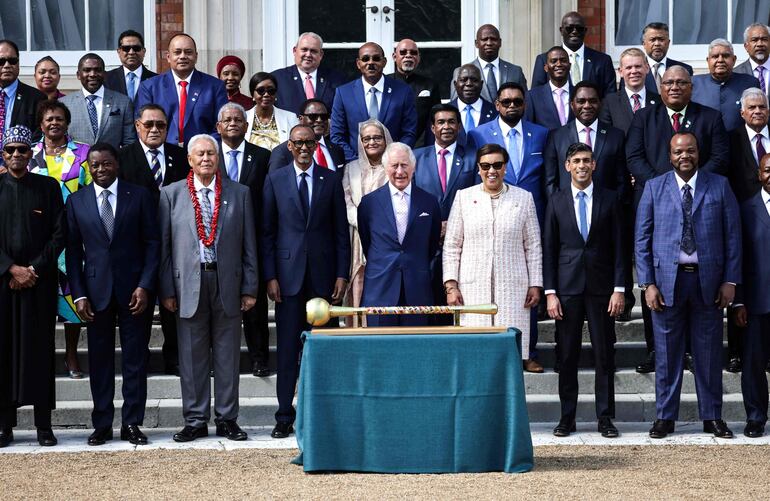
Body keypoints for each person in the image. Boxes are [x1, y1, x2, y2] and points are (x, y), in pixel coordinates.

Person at [636, 132, 741, 439]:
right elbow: (641, 239)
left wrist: (730, 280)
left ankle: (712, 416)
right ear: (670, 156)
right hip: (667, 282)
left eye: (690, 150)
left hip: (708, 282)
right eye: (679, 151)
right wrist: (647, 284)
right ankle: (665, 417)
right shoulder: (655, 188)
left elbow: (733, 238)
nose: (685, 156)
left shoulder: (719, 186)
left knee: (708, 353)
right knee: (667, 354)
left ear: (699, 153)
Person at [627, 66, 730, 372]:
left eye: (681, 82)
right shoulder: (645, 117)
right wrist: (665, 187)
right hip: (656, 205)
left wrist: (692, 183)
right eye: (669, 82)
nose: (674, 87)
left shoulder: (709, 118)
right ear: (660, 88)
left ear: (691, 87)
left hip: (701, 205)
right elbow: (634, 157)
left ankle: (690, 352)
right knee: (656, 281)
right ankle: (654, 349)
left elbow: (720, 157)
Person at [159, 134, 258, 443]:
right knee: (191, 356)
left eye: (211, 154)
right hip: (187, 284)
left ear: (219, 158)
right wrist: (167, 291)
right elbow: (163, 248)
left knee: (228, 355)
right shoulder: (171, 195)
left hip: (226, 282)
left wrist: (251, 287)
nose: (206, 159)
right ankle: (196, 419)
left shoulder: (239, 193)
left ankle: (228, 418)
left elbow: (249, 245)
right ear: (189, 159)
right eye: (200, 154)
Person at [65, 142, 159, 446]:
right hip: (95, 293)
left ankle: (132, 422)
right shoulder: (77, 201)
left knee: (135, 360)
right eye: (95, 165)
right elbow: (72, 252)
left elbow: (153, 245)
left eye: (106, 164)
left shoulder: (140, 196)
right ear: (88, 167)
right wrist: (78, 294)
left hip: (134, 292)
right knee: (100, 361)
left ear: (116, 165)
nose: (101, 170)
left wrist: (145, 285)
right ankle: (102, 423)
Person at [262, 124, 350, 439]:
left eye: (308, 142)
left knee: (324, 348)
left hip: (323, 279)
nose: (303, 147)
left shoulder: (329, 180)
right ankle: (284, 414)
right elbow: (268, 233)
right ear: (289, 145)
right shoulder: (275, 179)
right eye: (298, 142)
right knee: (287, 350)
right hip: (287, 280)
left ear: (315, 145)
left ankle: (325, 413)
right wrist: (270, 276)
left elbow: (341, 233)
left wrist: (342, 274)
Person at [544, 143, 625, 438]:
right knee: (567, 356)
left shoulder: (610, 198)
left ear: (594, 165)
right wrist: (550, 292)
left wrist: (619, 288)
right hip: (566, 289)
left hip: (603, 288)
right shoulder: (556, 200)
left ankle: (605, 417)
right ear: (567, 166)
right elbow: (549, 249)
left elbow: (620, 247)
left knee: (605, 354)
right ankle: (567, 417)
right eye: (576, 160)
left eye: (587, 160)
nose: (581, 165)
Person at [467, 82, 548, 372]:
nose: (511, 106)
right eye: (506, 101)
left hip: (527, 210)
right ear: (497, 105)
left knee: (523, 294)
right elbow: (474, 171)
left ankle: (529, 352)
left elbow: (546, 175)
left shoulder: (540, 133)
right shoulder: (478, 134)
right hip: (488, 208)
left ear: (524, 104)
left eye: (517, 101)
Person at [443, 143, 542, 359]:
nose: (492, 171)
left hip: (513, 289)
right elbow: (452, 245)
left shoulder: (524, 198)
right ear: (478, 168)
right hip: (472, 290)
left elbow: (533, 245)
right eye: (485, 166)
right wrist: (451, 286)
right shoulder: (463, 197)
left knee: (510, 350)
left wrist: (535, 284)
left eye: (497, 165)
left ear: (505, 167)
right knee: (475, 351)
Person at [0, 125, 66, 448]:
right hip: (3, 284)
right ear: (3, 154)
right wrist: (11, 269)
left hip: (38, 284)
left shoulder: (48, 187)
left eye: (22, 150)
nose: (16, 155)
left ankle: (43, 424)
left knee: (40, 353)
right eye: (10, 150)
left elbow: (59, 233)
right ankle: (3, 425)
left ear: (31, 153)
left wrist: (32, 269)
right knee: (2, 353)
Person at [118, 104, 191, 376]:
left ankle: (175, 358)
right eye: (148, 124)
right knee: (141, 304)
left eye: (160, 125)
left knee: (174, 303)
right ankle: (139, 359)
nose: (154, 130)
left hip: (176, 241)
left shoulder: (181, 156)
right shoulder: (124, 158)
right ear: (137, 125)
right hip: (137, 245)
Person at [29, 100, 91, 379]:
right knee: (38, 300)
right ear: (41, 124)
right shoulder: (28, 154)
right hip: (36, 238)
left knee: (70, 297)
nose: (54, 123)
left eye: (59, 119)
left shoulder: (84, 154)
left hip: (73, 235)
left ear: (67, 123)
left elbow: (91, 192)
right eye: (49, 119)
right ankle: (39, 358)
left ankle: (71, 355)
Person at [358, 142, 442, 326]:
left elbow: (432, 244)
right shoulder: (369, 203)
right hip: (380, 290)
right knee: (381, 351)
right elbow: (368, 243)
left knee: (415, 350)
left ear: (413, 166)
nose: (399, 171)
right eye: (394, 166)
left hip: (417, 290)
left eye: (404, 165)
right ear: (385, 167)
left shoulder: (429, 202)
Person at [216, 102, 271, 377]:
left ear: (247, 126)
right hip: (216, 241)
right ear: (219, 127)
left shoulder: (262, 156)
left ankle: (259, 358)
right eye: (227, 120)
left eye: (238, 119)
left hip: (253, 240)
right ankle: (220, 360)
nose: (233, 123)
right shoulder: (207, 155)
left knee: (255, 303)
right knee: (218, 304)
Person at [414, 104, 479, 324]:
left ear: (459, 126)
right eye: (441, 122)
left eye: (452, 121)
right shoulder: (416, 158)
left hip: (463, 244)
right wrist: (433, 225)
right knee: (427, 309)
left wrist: (452, 226)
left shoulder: (472, 158)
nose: (446, 126)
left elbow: (478, 198)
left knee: (459, 310)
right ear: (432, 127)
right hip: (424, 245)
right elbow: (410, 200)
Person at [733, 152, 770, 438]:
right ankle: (756, 417)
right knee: (754, 364)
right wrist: (740, 300)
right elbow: (738, 259)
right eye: (768, 170)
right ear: (759, 174)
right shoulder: (745, 209)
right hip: (756, 302)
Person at [136, 33, 228, 146]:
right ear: (168, 57)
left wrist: (205, 147)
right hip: (163, 154)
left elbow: (223, 125)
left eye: (188, 52)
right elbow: (142, 126)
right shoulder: (149, 87)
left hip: (201, 156)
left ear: (196, 56)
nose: (183, 56)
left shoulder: (215, 86)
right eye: (177, 52)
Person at [331, 42, 417, 162]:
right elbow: (337, 135)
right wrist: (356, 161)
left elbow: (409, 132)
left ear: (384, 62)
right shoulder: (343, 93)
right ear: (358, 63)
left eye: (376, 58)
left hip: (392, 165)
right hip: (356, 166)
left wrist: (394, 158)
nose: (370, 63)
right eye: (365, 59)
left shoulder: (403, 91)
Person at [341, 119, 392, 319]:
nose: (372, 142)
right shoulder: (351, 168)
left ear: (385, 139)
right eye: (367, 138)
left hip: (387, 236)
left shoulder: (393, 166)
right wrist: (363, 222)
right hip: (357, 238)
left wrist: (377, 225)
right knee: (357, 288)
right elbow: (346, 201)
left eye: (377, 137)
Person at [531, 12, 615, 97]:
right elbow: (536, 95)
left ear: (585, 31)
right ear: (561, 30)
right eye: (569, 28)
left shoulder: (603, 61)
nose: (574, 31)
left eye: (579, 28)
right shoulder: (543, 59)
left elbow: (610, 97)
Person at [60, 53, 136, 147]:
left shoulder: (123, 102)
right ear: (78, 75)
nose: (92, 74)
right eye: (87, 70)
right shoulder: (64, 104)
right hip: (76, 161)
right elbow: (60, 141)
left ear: (104, 74)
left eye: (97, 70)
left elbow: (129, 142)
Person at [692, 39, 760, 132]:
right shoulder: (694, 83)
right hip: (705, 143)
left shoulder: (749, 83)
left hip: (739, 143)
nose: (720, 60)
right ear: (708, 60)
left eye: (725, 56)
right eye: (715, 56)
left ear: (734, 59)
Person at [270, 32, 345, 115]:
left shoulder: (336, 79)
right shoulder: (277, 79)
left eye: (313, 51)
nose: (308, 54)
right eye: (304, 49)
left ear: (321, 54)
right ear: (295, 51)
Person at [449, 24, 528, 102]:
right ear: (476, 43)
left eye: (493, 39)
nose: (489, 43)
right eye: (484, 39)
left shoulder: (515, 71)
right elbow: (455, 103)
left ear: (500, 42)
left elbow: (525, 102)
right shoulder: (460, 72)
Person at [426, 64, 496, 148]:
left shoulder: (495, 112)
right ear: (455, 84)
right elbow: (431, 148)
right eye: (464, 80)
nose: (469, 84)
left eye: (474, 80)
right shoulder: (440, 113)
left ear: (481, 84)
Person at [267, 98, 345, 173]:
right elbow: (276, 182)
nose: (319, 120)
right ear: (301, 119)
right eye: (313, 117)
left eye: (324, 117)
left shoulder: (337, 150)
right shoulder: (283, 152)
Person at [387, 39, 441, 146]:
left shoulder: (430, 85)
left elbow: (435, 119)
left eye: (413, 53)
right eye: (403, 52)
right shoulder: (385, 83)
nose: (408, 56)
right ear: (394, 57)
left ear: (418, 58)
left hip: (421, 146)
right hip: (389, 146)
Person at [600, 47, 660, 135]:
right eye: (628, 68)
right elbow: (607, 139)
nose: (634, 71)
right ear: (620, 72)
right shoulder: (609, 103)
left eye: (638, 66)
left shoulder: (659, 101)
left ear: (647, 68)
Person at [0, 40, 47, 139]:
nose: (7, 65)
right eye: (1, 61)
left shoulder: (37, 98)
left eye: (12, 61)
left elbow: (40, 136)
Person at [729, 88, 769, 203]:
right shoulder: (731, 140)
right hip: (745, 206)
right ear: (742, 113)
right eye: (751, 107)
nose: (757, 111)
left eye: (762, 107)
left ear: (768, 111)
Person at [244, 72, 298, 151]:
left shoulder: (290, 118)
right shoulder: (243, 118)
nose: (266, 94)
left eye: (271, 90)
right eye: (261, 90)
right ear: (253, 94)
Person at [524, 46, 573, 131]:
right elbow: (528, 128)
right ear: (546, 68)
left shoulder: (578, 93)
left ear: (569, 66)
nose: (559, 64)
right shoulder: (532, 96)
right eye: (554, 61)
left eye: (563, 60)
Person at [104, 29, 158, 101]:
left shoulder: (156, 80)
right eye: (126, 48)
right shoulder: (106, 79)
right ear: (119, 52)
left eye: (136, 48)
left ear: (144, 51)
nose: (131, 52)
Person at [641, 22, 694, 94]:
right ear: (644, 44)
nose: (657, 44)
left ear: (668, 43)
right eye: (652, 40)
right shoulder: (634, 71)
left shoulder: (685, 69)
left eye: (661, 39)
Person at [734, 23, 770, 97]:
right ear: (746, 46)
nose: (760, 44)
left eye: (764, 39)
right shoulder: (735, 73)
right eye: (754, 40)